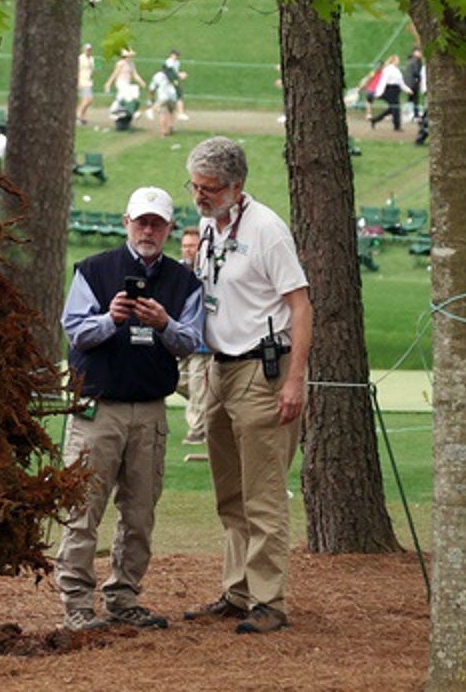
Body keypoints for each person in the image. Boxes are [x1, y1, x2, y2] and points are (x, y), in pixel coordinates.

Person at [54, 187, 204, 631]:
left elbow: (193, 341)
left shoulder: (183, 282)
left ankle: (123, 597)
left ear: (169, 229)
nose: (148, 230)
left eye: (157, 223)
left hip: (150, 410)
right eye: (141, 222)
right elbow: (76, 332)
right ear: (126, 222)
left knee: (140, 513)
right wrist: (110, 319)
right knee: (83, 511)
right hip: (97, 409)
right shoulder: (95, 271)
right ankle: (77, 604)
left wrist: (164, 323)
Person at [181, 137, 311, 636]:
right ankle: (237, 591)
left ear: (238, 186)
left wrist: (294, 379)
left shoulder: (267, 231)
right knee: (229, 492)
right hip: (219, 367)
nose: (200, 196)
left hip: (263, 368)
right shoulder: (210, 228)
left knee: (262, 493)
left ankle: (269, 600)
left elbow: (301, 305)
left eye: (210, 188)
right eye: (195, 186)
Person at [176, 225, 211, 447]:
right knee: (177, 380)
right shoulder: (176, 273)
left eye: (193, 246)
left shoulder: (209, 272)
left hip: (202, 342)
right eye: (185, 246)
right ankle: (209, 407)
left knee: (198, 385)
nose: (188, 250)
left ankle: (197, 431)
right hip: (179, 338)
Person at [368, 54, 407, 131]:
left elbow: (400, 81)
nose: (399, 61)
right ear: (393, 61)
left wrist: (406, 89)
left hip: (395, 91)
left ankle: (375, 120)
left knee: (393, 109)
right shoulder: (388, 69)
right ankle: (397, 126)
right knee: (395, 108)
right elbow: (383, 81)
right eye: (397, 60)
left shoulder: (396, 70)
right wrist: (379, 92)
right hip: (390, 90)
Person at [76, 44, 96, 126]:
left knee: (88, 100)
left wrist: (95, 69)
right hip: (82, 81)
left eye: (90, 50)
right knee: (87, 100)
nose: (88, 51)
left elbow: (93, 69)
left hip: (88, 81)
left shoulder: (91, 59)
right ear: (83, 50)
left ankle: (82, 116)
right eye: (87, 49)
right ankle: (78, 116)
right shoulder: (80, 58)